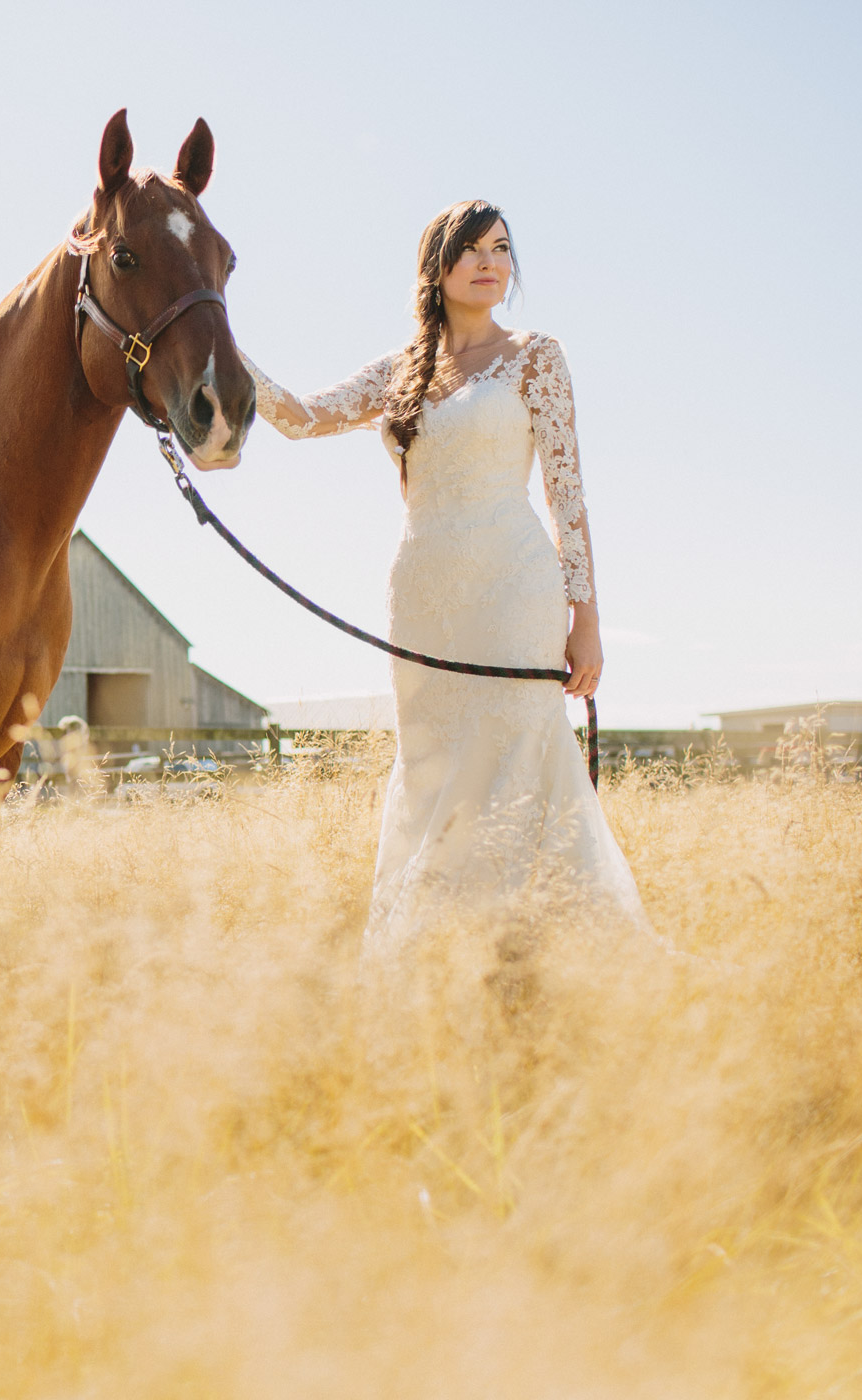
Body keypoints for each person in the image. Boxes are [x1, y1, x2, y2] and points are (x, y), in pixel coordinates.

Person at [229, 200, 647, 957]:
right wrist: (215, 343)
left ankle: (538, 945)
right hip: (422, 591)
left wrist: (585, 618)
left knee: (516, 752)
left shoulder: (536, 356)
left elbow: (567, 495)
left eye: (503, 249)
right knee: (432, 766)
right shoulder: (398, 371)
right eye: (473, 249)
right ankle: (435, 951)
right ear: (437, 266)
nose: (492, 263)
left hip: (515, 586)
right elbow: (299, 417)